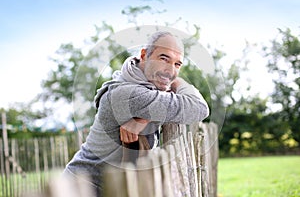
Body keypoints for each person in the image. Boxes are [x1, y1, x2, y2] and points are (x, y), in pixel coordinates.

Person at [63, 31, 209, 196]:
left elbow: (168, 102)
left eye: (177, 64)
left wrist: (145, 116)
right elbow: (199, 108)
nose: (169, 70)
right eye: (164, 58)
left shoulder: (141, 85)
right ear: (144, 55)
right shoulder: (127, 93)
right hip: (80, 188)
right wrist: (178, 82)